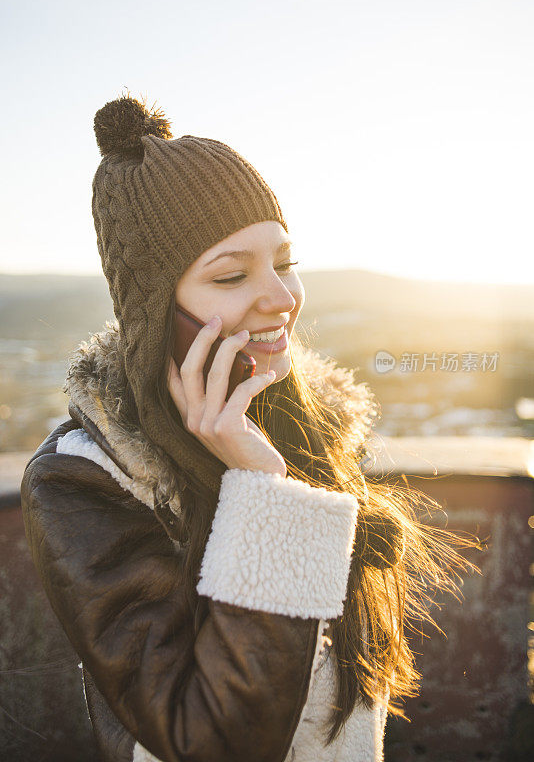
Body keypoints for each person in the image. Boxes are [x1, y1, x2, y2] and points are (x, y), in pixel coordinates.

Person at [20, 93, 478, 762]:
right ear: (155, 310)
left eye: (284, 263)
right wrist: (264, 493)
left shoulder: (310, 424)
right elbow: (208, 743)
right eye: (232, 275)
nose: (282, 297)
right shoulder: (85, 481)